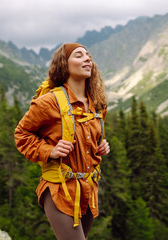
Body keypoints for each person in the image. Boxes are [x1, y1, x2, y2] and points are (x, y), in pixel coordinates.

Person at [14, 43, 110, 240]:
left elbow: (90, 136)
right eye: (79, 55)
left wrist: (101, 146)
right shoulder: (48, 102)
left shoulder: (97, 103)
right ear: (64, 65)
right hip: (60, 190)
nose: (87, 59)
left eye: (88, 55)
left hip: (88, 190)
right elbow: (22, 134)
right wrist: (50, 151)